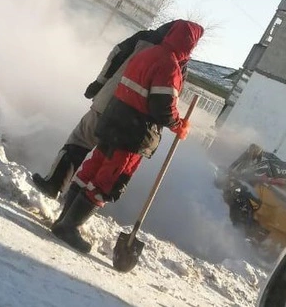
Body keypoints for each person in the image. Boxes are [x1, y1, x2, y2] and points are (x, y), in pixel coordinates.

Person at [49, 20, 204, 253]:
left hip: (113, 120)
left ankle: (63, 219)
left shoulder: (148, 53)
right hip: (133, 131)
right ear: (190, 43)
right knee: (107, 180)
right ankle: (68, 227)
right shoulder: (169, 66)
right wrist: (178, 125)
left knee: (91, 170)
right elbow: (162, 106)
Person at [31, 20, 190, 199]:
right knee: (104, 166)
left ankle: (55, 184)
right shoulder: (179, 63)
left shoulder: (144, 38)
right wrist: (174, 123)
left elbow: (116, 56)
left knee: (81, 140)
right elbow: (168, 97)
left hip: (108, 100)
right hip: (133, 123)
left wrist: (99, 83)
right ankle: (72, 208)